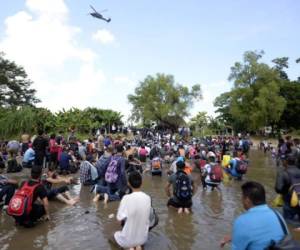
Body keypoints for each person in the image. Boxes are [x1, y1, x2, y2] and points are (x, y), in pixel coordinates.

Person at [221, 181, 285, 249]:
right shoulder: (278, 215)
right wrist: (235, 237)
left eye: (242, 197)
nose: (241, 200)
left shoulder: (242, 221)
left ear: (247, 200)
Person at [112, 171, 151, 249]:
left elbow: (119, 219)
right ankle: (137, 246)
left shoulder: (126, 198)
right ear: (141, 182)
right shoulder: (148, 197)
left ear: (128, 183)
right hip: (143, 239)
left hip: (128, 241)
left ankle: (131, 247)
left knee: (113, 235)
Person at [275, 151, 300, 221]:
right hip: (299, 199)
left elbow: (278, 189)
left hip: (289, 202)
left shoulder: (283, 173)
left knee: (289, 222)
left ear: (285, 161)